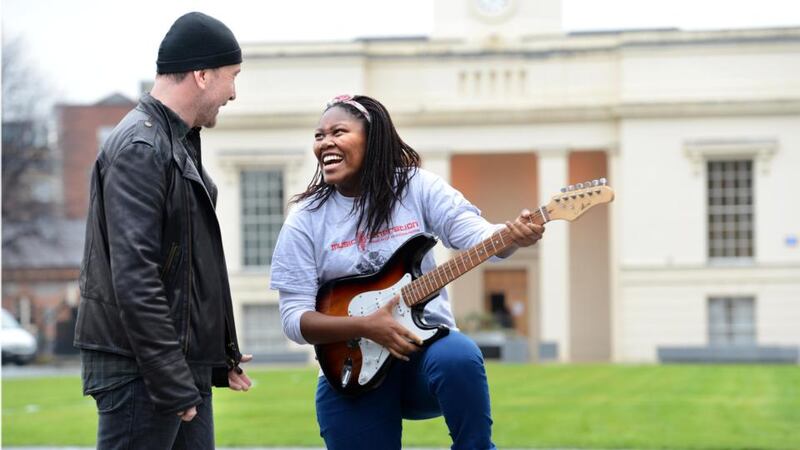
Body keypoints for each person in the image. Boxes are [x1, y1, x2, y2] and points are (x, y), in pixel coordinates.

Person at [270, 94, 545, 450]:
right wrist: (364, 327)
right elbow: (294, 320)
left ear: (374, 138)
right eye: (319, 136)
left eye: (339, 131)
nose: (326, 143)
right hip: (352, 370)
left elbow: (476, 235)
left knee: (459, 356)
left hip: (424, 354)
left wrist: (511, 237)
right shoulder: (305, 220)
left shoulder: (417, 187)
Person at [73, 12, 252, 449]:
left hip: (171, 365)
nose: (233, 92)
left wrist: (216, 355)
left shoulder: (175, 141)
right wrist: (170, 378)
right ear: (203, 74)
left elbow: (188, 266)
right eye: (233, 76)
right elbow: (136, 278)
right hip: (142, 372)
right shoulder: (141, 147)